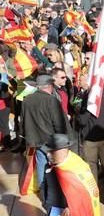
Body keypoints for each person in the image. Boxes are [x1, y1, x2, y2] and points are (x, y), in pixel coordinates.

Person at [22, 74, 71, 202]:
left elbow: (23, 120)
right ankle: (56, 194)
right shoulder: (51, 100)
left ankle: (43, 194)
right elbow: (58, 123)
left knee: (41, 165)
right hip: (52, 141)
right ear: (49, 86)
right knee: (57, 167)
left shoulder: (27, 99)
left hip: (35, 140)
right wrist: (63, 140)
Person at [76, 75, 104, 194]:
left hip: (91, 138)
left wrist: (78, 113)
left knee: (91, 164)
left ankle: (93, 191)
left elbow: (83, 120)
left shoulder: (91, 97)